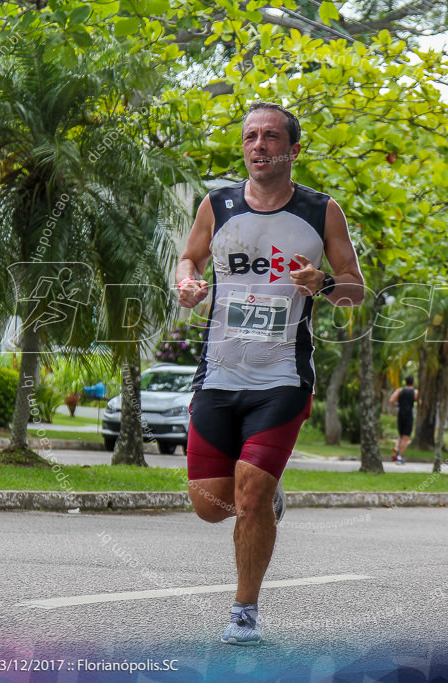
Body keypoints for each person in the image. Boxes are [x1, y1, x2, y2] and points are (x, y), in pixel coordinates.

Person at [176, 102, 365, 645]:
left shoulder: (321, 211)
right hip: (218, 373)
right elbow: (189, 259)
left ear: (293, 150)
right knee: (210, 506)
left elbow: (354, 289)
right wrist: (188, 283)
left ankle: (244, 609)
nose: (258, 146)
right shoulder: (218, 205)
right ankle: (266, 496)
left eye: (270, 137)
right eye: (250, 137)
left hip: (282, 377)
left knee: (251, 491)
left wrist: (323, 284)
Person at [388, 376, 416, 464]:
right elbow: (420, 401)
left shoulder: (400, 390)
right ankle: (399, 457)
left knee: (400, 435)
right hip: (409, 414)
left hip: (401, 414)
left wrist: (398, 405)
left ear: (405, 382)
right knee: (406, 437)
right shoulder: (415, 392)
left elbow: (391, 400)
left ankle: (396, 447)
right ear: (413, 383)